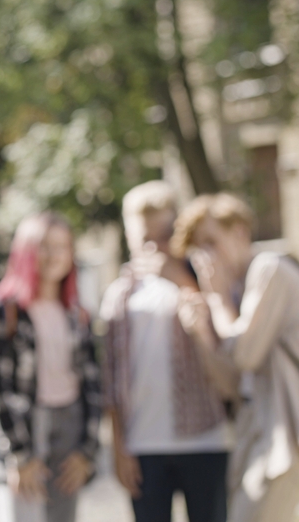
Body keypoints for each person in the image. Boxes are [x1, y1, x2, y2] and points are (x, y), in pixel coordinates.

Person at [172, 193, 299, 522]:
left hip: (284, 435)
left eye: (212, 242)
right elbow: (229, 385)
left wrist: (216, 299)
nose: (206, 258)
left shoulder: (270, 271)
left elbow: (244, 355)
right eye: (200, 249)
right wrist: (200, 333)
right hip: (256, 435)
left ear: (240, 232)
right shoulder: (240, 287)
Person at [99, 181, 233, 522]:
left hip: (205, 440)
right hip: (144, 444)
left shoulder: (202, 277)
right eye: (144, 237)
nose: (153, 246)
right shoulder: (119, 295)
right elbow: (111, 380)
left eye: (162, 235)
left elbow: (226, 344)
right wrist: (119, 448)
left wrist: (179, 279)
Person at [0, 212, 102, 522]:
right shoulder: (4, 309)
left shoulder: (77, 313)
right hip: (23, 432)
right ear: (26, 250)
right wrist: (19, 456)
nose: (54, 255)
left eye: (62, 246)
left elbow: (93, 386)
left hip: (68, 432)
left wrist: (87, 452)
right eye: (44, 246)